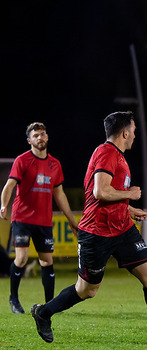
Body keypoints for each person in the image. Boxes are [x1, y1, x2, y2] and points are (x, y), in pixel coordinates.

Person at [30, 111, 147, 350]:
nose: (135, 135)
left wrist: (128, 209)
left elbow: (107, 194)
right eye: (133, 131)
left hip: (123, 229)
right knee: (87, 290)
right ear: (125, 133)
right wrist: (130, 194)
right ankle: (44, 312)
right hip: (97, 233)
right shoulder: (107, 153)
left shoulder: (116, 156)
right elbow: (100, 192)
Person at [1, 122, 79, 314]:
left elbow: (60, 195)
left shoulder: (55, 164)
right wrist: (3, 204)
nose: (40, 137)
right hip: (22, 217)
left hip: (43, 220)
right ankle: (14, 299)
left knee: (47, 260)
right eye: (35, 135)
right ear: (29, 140)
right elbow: (10, 185)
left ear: (47, 137)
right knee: (22, 258)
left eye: (42, 134)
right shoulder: (22, 160)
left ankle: (50, 305)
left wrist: (72, 220)